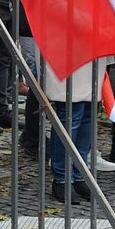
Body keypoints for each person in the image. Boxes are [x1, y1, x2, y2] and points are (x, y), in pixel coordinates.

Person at [44, 59, 106, 204]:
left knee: (88, 113)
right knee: (71, 114)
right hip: (68, 52)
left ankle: (79, 175)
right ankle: (62, 178)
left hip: (92, 53)